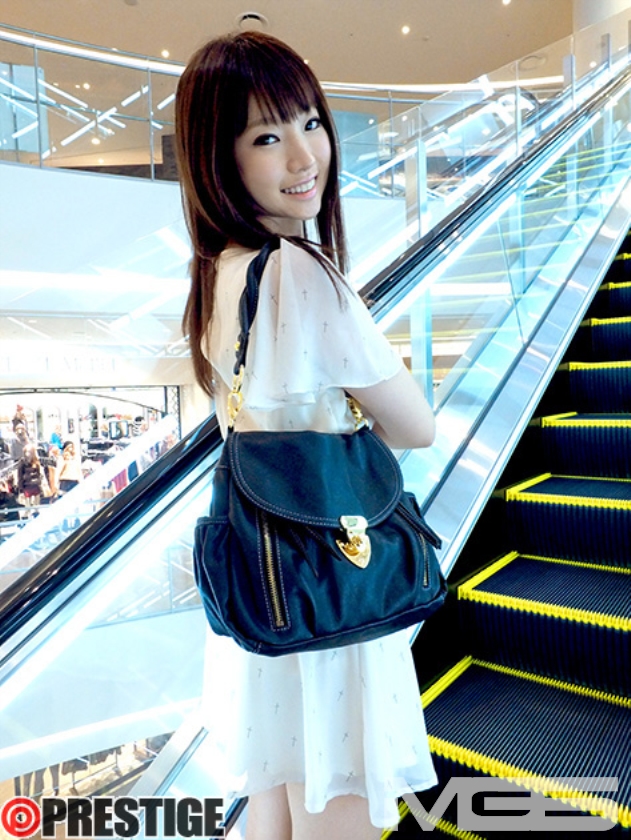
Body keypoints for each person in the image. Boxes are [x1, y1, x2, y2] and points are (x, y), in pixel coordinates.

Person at [175, 31, 437, 840]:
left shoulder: (217, 273)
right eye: (265, 136)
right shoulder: (299, 270)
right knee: (334, 804)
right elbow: (417, 427)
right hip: (331, 582)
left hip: (267, 588)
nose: (304, 156)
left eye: (310, 123)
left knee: (277, 805)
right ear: (218, 158)